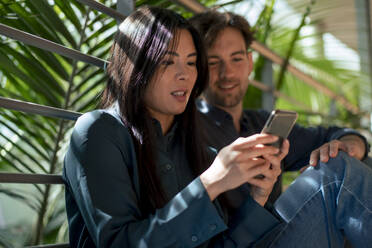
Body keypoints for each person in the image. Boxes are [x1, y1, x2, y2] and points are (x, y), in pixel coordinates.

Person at [63, 6, 372, 248]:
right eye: (168, 62)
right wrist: (211, 182)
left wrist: (258, 196)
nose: (184, 74)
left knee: (338, 170)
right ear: (136, 65)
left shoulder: (185, 137)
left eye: (191, 61)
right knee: (334, 180)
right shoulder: (98, 131)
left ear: (250, 63)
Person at [189, 10, 370, 203]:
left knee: (345, 161)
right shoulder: (187, 129)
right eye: (213, 62)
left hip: (280, 228)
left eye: (236, 59)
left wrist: (351, 146)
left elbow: (334, 134)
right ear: (198, 68)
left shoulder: (262, 123)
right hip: (242, 232)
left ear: (250, 63)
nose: (228, 73)